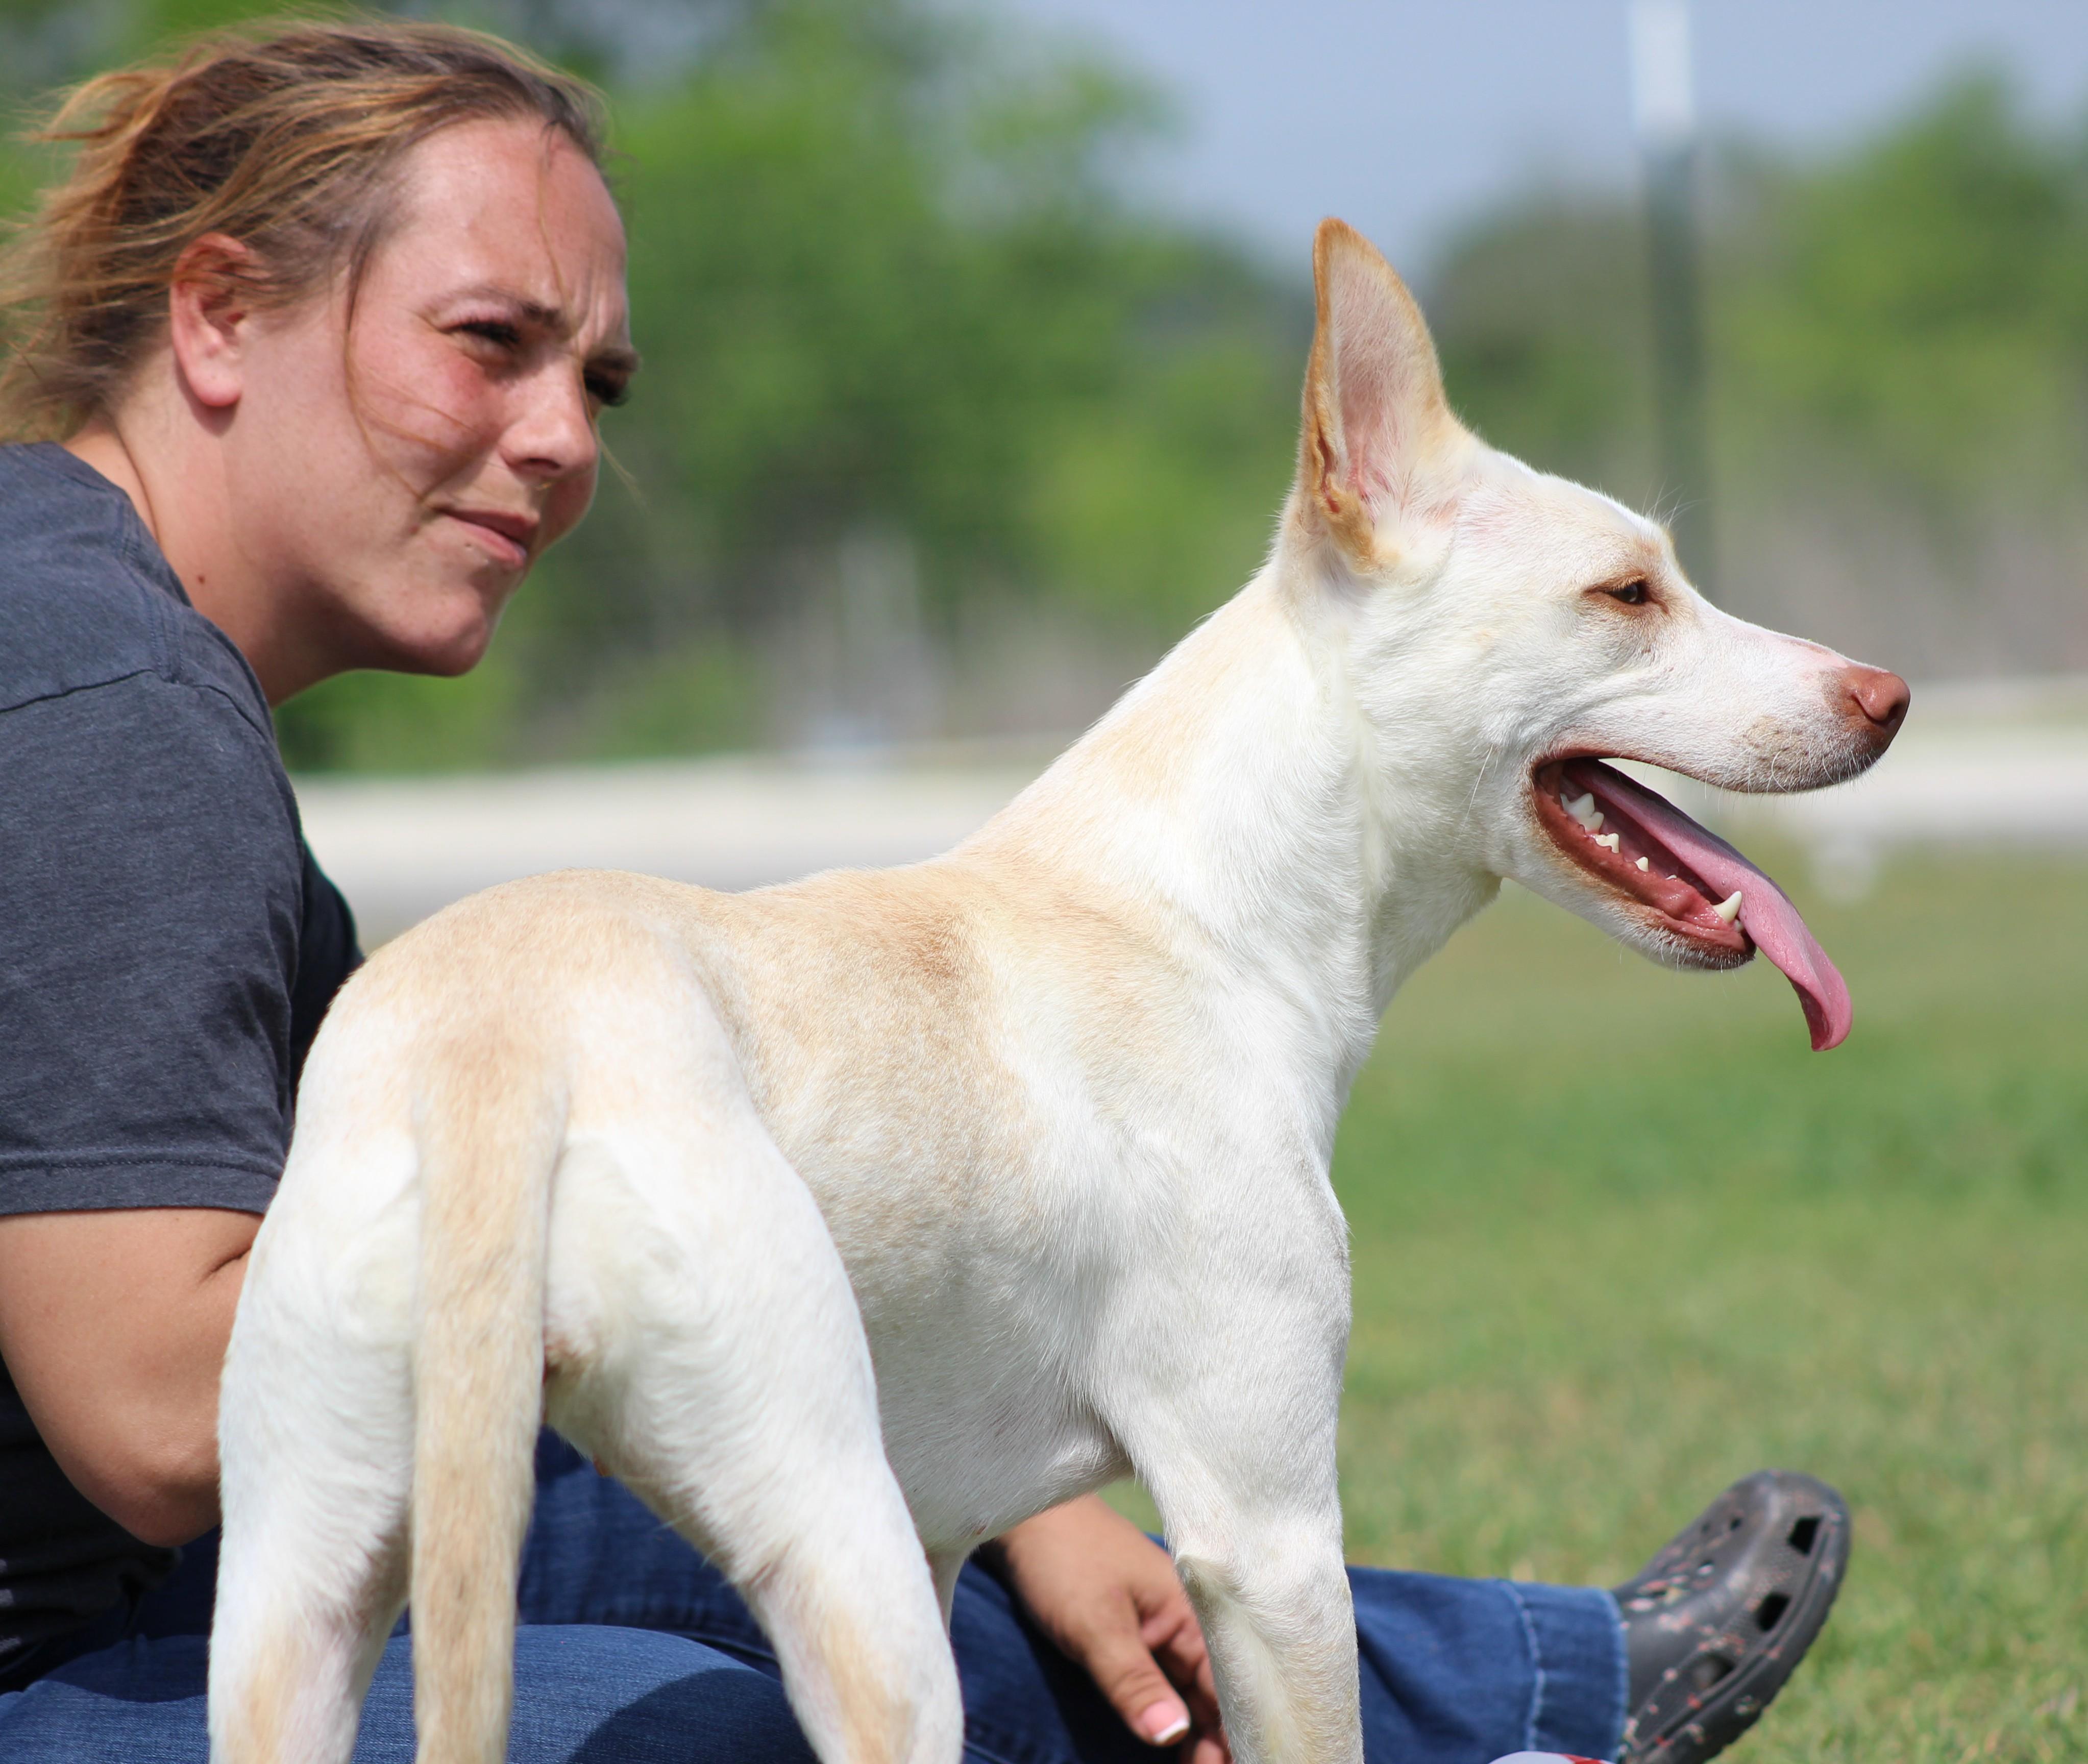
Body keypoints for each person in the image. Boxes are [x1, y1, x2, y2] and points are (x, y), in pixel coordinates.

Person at [0, 21, 1848, 1764]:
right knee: (723, 1721)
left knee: (967, 1570)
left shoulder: (93, 621)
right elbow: (163, 1415)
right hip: (70, 1643)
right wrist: (689, 1219)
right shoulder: (108, 703)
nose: (569, 438)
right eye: (491, 340)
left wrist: (982, 1446)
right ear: (221, 315)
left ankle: (1540, 1692)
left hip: (123, 1577)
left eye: (599, 377)